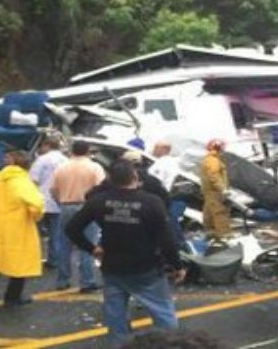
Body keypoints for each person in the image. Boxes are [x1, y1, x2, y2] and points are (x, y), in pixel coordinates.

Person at [65, 159, 185, 346]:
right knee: (162, 312)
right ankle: (170, 345)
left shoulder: (99, 201)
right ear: (135, 176)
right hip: (147, 267)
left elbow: (72, 228)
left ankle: (120, 345)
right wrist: (177, 266)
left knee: (115, 314)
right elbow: (166, 239)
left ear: (110, 179)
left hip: (112, 266)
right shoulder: (152, 202)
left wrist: (92, 248)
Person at [0, 150, 45, 305]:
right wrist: (35, 217)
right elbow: (37, 204)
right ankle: (13, 297)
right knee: (19, 263)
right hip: (16, 228)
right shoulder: (21, 181)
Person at [51, 140, 106, 292]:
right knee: (88, 244)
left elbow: (53, 189)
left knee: (65, 243)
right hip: (87, 207)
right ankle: (87, 281)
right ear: (88, 151)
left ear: (72, 151)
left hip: (66, 205)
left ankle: (62, 280)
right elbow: (101, 189)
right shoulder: (95, 167)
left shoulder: (61, 167)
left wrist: (60, 202)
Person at [29, 138, 68, 269]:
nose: (40, 148)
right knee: (56, 234)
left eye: (41, 145)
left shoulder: (42, 160)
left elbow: (33, 180)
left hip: (40, 201)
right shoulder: (66, 161)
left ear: (47, 145)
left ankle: (32, 260)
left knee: (34, 233)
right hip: (58, 201)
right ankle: (54, 260)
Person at [200, 139, 231, 242]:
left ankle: (210, 232)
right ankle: (225, 235)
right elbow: (213, 176)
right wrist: (222, 189)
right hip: (215, 192)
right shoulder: (213, 160)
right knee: (220, 212)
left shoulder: (209, 159)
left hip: (210, 191)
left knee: (209, 212)